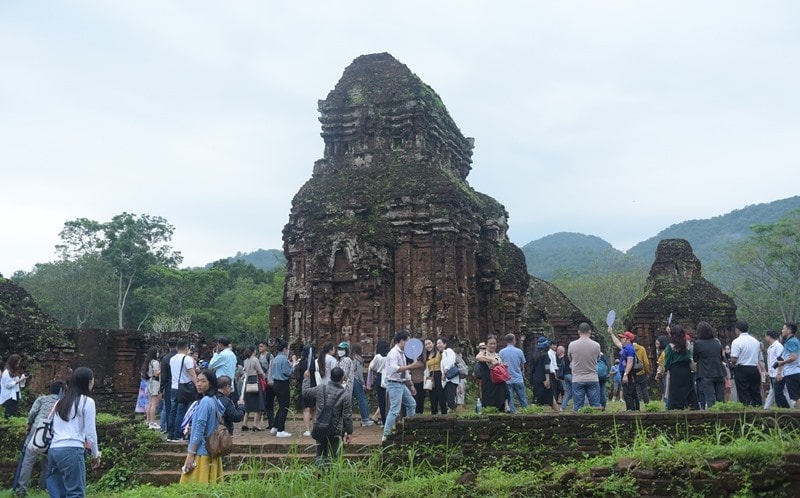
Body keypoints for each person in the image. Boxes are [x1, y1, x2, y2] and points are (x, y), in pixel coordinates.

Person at [47, 367, 101, 498]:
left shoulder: (60, 403)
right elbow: (90, 434)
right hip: (72, 449)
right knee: (75, 493)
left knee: (58, 494)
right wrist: (95, 454)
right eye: (92, 381)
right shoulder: (87, 402)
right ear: (88, 382)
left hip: (54, 450)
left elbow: (51, 427)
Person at [14, 380, 63, 497]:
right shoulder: (62, 402)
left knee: (28, 461)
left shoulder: (41, 399)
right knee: (47, 462)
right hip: (52, 431)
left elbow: (32, 413)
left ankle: (21, 489)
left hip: (37, 428)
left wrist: (28, 425)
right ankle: (43, 488)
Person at [302, 366, 353, 468]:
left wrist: (306, 379)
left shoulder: (321, 388)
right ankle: (334, 478)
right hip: (336, 429)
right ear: (342, 379)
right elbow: (347, 416)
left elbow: (306, 392)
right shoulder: (345, 395)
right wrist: (349, 432)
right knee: (335, 457)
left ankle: (319, 477)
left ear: (330, 377)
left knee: (320, 455)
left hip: (320, 426)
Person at [180, 369, 224, 485]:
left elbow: (200, 428)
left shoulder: (204, 402)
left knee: (196, 486)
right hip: (212, 449)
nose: (199, 384)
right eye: (198, 381)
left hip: (201, 451)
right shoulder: (215, 400)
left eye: (203, 381)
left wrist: (191, 453)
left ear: (211, 383)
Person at [382, 331, 419, 442]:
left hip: (401, 383)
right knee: (395, 410)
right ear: (402, 341)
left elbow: (405, 372)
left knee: (411, 404)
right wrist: (411, 366)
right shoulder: (393, 353)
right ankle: (386, 434)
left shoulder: (402, 353)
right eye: (407, 341)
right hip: (394, 383)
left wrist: (411, 385)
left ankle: (409, 428)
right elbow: (395, 368)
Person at [661, 324, 699, 410]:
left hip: (675, 370)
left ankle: (675, 407)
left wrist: (664, 369)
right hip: (686, 369)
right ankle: (692, 406)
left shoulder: (670, 347)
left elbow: (667, 361)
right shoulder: (687, 344)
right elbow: (689, 357)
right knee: (689, 388)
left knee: (675, 390)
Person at [567, 323, 602, 412]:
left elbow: (570, 359)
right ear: (590, 331)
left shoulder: (572, 345)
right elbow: (598, 358)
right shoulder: (596, 345)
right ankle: (596, 424)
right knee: (595, 407)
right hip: (592, 378)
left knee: (578, 407)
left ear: (579, 332)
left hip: (577, 378)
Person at [168, 339, 198, 442]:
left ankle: (170, 434)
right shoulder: (187, 359)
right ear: (186, 348)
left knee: (173, 411)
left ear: (177, 348)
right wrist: (197, 386)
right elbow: (192, 374)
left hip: (174, 387)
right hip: (183, 388)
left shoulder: (172, 359)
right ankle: (178, 434)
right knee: (181, 411)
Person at [693, 321, 727, 409]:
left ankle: (713, 419)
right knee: (721, 400)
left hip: (706, 373)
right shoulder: (716, 342)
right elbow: (720, 355)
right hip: (719, 372)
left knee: (710, 400)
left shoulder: (698, 343)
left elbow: (695, 358)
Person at [730, 320, 762, 407]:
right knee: (755, 391)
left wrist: (732, 362)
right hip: (754, 368)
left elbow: (734, 359)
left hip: (742, 369)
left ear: (737, 329)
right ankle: (758, 408)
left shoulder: (736, 341)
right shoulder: (756, 341)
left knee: (743, 392)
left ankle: (746, 410)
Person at [269, 340, 296, 437]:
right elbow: (288, 372)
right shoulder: (284, 359)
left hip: (276, 383)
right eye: (287, 348)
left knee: (281, 406)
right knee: (284, 407)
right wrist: (294, 363)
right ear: (285, 349)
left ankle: (275, 427)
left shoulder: (275, 359)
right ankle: (281, 430)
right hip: (283, 383)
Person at [609, 328, 639, 411]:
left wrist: (625, 374)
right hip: (626, 373)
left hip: (629, 374)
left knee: (627, 393)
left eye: (623, 338)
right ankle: (635, 409)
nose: (621, 339)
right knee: (632, 392)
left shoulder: (629, 348)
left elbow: (630, 362)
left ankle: (630, 410)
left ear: (628, 339)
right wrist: (611, 333)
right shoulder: (625, 347)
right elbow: (617, 343)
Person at [475, 335, 507, 412]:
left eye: (494, 344)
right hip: (488, 380)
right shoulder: (483, 353)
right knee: (488, 398)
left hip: (497, 380)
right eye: (491, 344)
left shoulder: (497, 355)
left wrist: (502, 365)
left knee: (501, 394)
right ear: (487, 344)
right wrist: (491, 359)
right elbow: (478, 358)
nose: (493, 345)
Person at [498, 333, 527, 413]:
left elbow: (500, 365)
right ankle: (527, 413)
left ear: (506, 341)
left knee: (510, 400)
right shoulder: (519, 351)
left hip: (507, 379)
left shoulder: (501, 352)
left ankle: (513, 416)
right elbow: (522, 365)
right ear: (514, 340)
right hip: (518, 378)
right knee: (523, 399)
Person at [240, 346, 265, 431]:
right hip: (255, 381)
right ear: (253, 351)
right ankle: (255, 424)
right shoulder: (255, 360)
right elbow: (260, 371)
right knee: (257, 404)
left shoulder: (245, 361)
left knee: (248, 404)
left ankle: (244, 423)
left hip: (248, 381)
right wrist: (264, 377)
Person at [776, 322, 800, 408]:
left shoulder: (791, 342)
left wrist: (782, 362)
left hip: (792, 372)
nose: (782, 330)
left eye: (783, 328)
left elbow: (793, 357)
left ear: (789, 330)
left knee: (796, 397)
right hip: (795, 371)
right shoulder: (794, 341)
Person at [764, 329, 790, 409]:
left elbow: (781, 360)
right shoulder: (770, 348)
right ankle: (766, 408)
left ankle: (786, 408)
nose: (765, 338)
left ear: (769, 336)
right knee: (774, 391)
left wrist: (779, 373)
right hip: (773, 373)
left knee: (778, 393)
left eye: (765, 336)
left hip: (778, 373)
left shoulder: (778, 346)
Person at [350, 343, 373, 426]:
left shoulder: (350, 358)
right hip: (357, 380)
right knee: (362, 399)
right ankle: (365, 419)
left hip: (350, 380)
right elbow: (359, 373)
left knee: (349, 400)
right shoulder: (359, 359)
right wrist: (363, 383)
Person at [367, 339, 389, 425]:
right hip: (388, 377)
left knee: (381, 401)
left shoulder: (378, 357)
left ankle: (384, 421)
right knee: (389, 400)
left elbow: (372, 366)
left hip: (380, 377)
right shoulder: (389, 355)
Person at [159, 337, 178, 434]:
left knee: (169, 408)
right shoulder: (182, 357)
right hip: (181, 385)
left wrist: (161, 390)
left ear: (168, 345)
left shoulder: (166, 358)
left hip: (169, 385)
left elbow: (164, 376)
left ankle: (169, 429)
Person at [530, 336, 555, 408]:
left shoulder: (533, 355)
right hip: (544, 379)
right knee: (550, 398)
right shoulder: (545, 355)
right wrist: (547, 379)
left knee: (537, 398)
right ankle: (558, 414)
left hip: (536, 379)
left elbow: (532, 368)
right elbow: (546, 367)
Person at [437, 337, 460, 413]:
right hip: (447, 379)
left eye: (440, 343)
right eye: (437, 344)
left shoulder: (449, 351)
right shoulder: (443, 354)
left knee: (451, 397)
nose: (438, 345)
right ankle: (452, 411)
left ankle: (452, 412)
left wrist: (445, 372)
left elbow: (451, 362)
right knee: (448, 396)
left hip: (451, 378)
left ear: (445, 344)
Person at [423, 338, 445, 415]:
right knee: (432, 396)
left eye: (429, 343)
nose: (428, 346)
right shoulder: (426, 356)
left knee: (441, 395)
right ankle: (434, 414)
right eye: (426, 344)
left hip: (439, 374)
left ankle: (444, 413)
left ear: (433, 343)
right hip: (431, 376)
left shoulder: (439, 353)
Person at [257, 341, 275, 429]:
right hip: (260, 381)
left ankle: (272, 422)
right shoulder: (257, 356)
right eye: (259, 346)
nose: (260, 347)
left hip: (267, 381)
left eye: (262, 346)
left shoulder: (269, 356)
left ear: (266, 347)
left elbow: (271, 367)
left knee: (269, 402)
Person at [142, 346, 161, 430]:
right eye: (157, 352)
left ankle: (148, 420)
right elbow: (156, 373)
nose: (158, 354)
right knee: (154, 404)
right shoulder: (155, 362)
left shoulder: (148, 362)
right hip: (155, 382)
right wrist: (162, 369)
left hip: (150, 382)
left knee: (150, 403)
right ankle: (152, 422)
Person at [633, 338, 651, 404]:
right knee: (644, 389)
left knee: (636, 389)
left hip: (634, 372)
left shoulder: (629, 348)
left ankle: (636, 405)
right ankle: (647, 404)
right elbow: (646, 362)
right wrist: (647, 371)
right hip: (642, 372)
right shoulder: (642, 349)